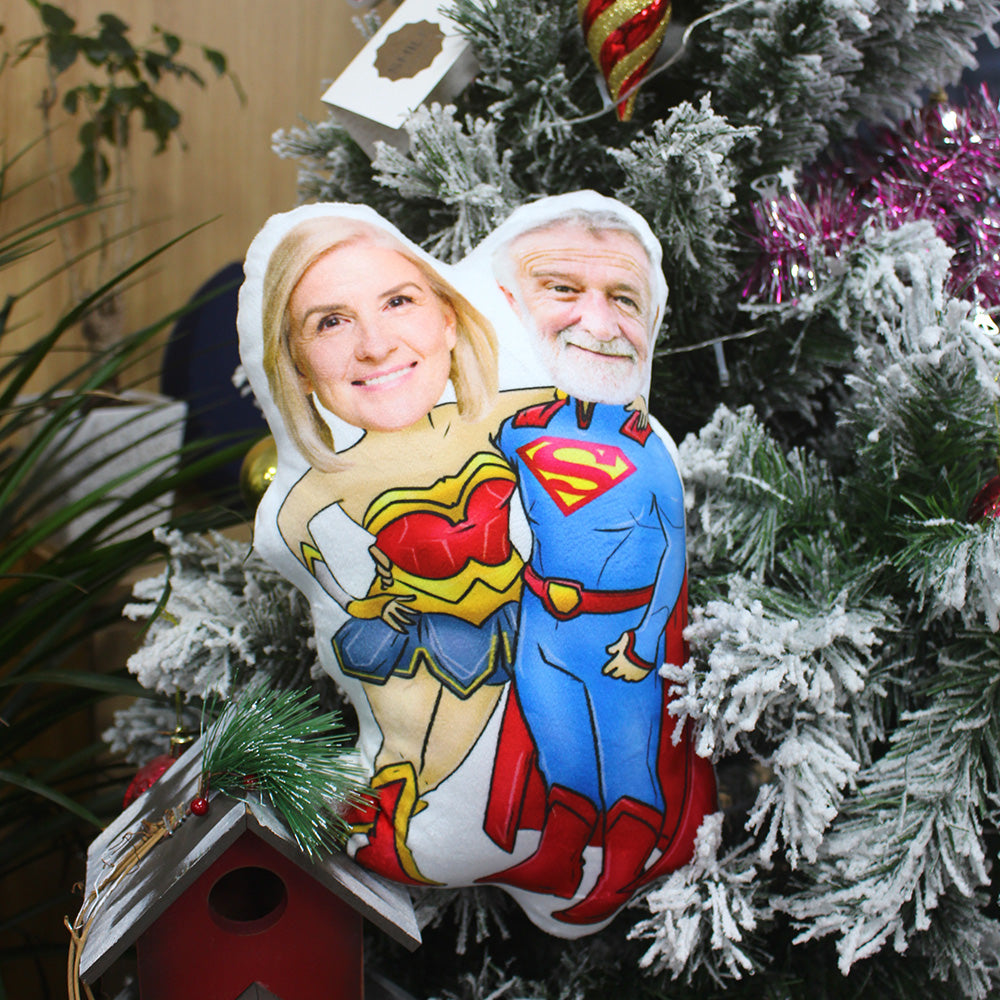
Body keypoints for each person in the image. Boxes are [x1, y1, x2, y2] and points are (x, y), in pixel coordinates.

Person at [259, 210, 531, 886]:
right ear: (297, 366)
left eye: (398, 301)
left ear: (449, 319)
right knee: (418, 763)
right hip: (418, 637)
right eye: (331, 321)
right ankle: (391, 833)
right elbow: (289, 534)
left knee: (471, 756)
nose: (375, 346)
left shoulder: (507, 417)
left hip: (519, 625)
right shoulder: (330, 478)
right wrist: (360, 598)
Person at [480, 192, 716, 927]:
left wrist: (644, 640)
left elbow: (671, 553)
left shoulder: (651, 456)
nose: (598, 322)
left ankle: (623, 865)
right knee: (560, 748)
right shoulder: (514, 432)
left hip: (618, 635)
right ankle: (560, 849)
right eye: (563, 287)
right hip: (542, 624)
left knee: (627, 759)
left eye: (623, 298)